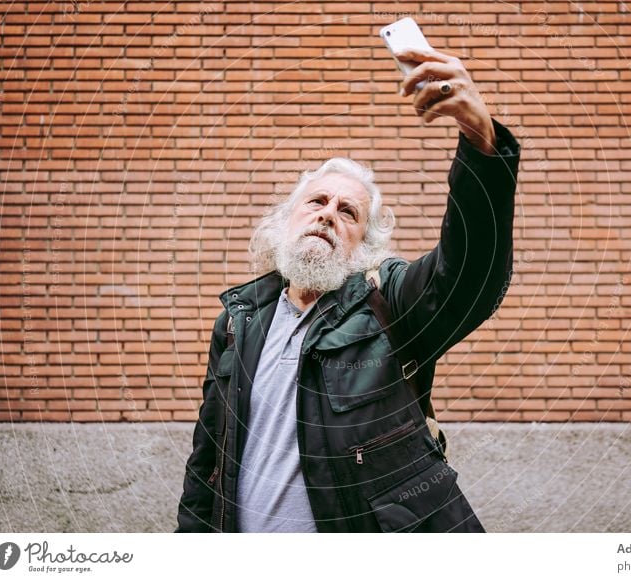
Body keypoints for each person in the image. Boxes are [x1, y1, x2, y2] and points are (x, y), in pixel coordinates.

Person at [176, 47, 520, 532]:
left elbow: (467, 275)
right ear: (286, 220)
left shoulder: (389, 302)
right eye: (317, 200)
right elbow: (206, 463)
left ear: (364, 245)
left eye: (348, 211)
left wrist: (481, 143)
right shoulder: (238, 321)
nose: (327, 213)